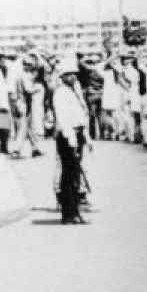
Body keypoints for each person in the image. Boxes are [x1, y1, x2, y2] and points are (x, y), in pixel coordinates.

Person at [52, 57, 89, 225]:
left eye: (74, 74)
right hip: (68, 136)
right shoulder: (60, 92)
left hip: (76, 134)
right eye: (69, 75)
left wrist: (86, 137)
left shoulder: (72, 91)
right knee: (69, 175)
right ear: (63, 76)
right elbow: (63, 119)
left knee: (74, 175)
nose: (73, 77)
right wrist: (72, 140)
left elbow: (80, 115)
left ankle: (74, 211)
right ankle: (69, 212)